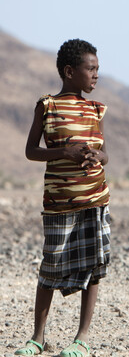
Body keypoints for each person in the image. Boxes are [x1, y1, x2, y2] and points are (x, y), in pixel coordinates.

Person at [15, 39, 111, 357]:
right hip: (59, 203)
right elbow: (31, 151)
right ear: (70, 72)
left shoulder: (96, 109)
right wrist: (65, 152)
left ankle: (81, 338)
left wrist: (95, 156)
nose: (96, 74)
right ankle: (37, 338)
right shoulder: (48, 106)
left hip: (95, 199)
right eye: (91, 68)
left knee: (93, 266)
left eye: (98, 68)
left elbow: (105, 153)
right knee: (51, 265)